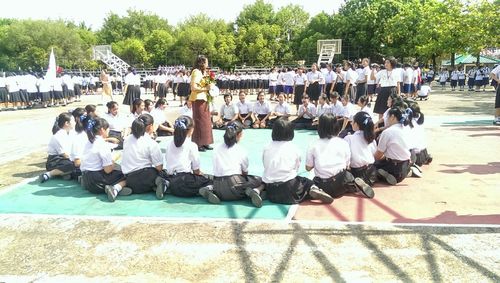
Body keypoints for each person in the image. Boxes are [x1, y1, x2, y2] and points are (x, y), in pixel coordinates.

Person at [262, 119, 333, 204]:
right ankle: (314, 188)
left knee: (263, 181)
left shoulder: (266, 147)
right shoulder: (293, 148)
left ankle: (263, 192)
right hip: (289, 189)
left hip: (271, 188)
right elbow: (296, 168)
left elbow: (265, 165)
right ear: (290, 132)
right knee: (306, 182)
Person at [306, 113, 374, 199]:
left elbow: (308, 168)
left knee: (307, 183)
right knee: (347, 174)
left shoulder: (313, 144)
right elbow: (347, 165)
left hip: (324, 184)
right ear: (336, 126)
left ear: (320, 127)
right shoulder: (343, 142)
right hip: (342, 183)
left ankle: (316, 189)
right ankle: (354, 184)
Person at [200, 122, 265, 207]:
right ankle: (254, 191)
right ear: (239, 135)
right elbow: (245, 172)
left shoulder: (216, 148)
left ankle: (210, 188)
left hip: (218, 186)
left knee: (210, 178)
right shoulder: (241, 150)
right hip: (235, 186)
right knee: (260, 180)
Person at [80, 117, 131, 202]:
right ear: (102, 130)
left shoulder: (88, 142)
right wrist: (114, 160)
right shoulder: (102, 145)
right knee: (128, 175)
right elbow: (108, 170)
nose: (109, 131)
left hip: (86, 178)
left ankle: (113, 188)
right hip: (97, 180)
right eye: (108, 129)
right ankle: (115, 189)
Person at [164, 116, 213, 199]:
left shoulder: (169, 144)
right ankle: (206, 188)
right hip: (185, 181)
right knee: (211, 180)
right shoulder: (191, 145)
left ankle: (166, 185)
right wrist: (202, 175)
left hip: (172, 180)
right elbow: (196, 171)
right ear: (191, 130)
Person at [121, 114, 167, 197]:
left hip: (129, 180)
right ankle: (159, 185)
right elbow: (159, 167)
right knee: (163, 173)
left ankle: (120, 188)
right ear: (150, 126)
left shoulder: (127, 139)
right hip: (146, 177)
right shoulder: (151, 143)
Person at [374, 107, 412, 185]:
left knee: (372, 166)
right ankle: (407, 172)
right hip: (406, 164)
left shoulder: (388, 132)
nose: (386, 119)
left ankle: (384, 174)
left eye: (387, 117)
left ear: (392, 117)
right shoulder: (406, 128)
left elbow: (378, 155)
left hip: (394, 167)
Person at [39, 113, 76, 183]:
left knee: (77, 164)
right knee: (73, 164)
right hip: (54, 161)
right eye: (73, 121)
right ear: (67, 123)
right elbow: (65, 154)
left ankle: (63, 173)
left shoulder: (71, 133)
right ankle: (48, 174)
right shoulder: (58, 136)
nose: (75, 122)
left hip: (65, 159)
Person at [345, 111, 378, 186]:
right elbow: (374, 154)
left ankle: (356, 185)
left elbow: (345, 159)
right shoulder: (371, 138)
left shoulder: (349, 138)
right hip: (372, 172)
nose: (351, 123)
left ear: (356, 124)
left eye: (352, 121)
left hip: (357, 173)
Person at [189, 56, 214, 152]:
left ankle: (205, 142)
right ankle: (198, 143)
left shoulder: (203, 72)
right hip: (198, 99)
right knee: (199, 121)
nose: (207, 64)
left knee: (206, 121)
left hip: (205, 99)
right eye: (206, 62)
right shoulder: (196, 71)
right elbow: (193, 87)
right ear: (202, 63)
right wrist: (205, 89)